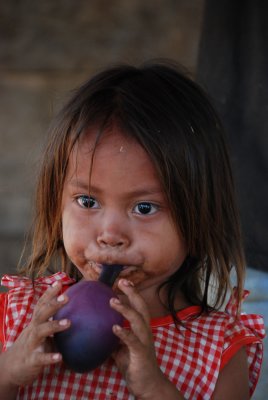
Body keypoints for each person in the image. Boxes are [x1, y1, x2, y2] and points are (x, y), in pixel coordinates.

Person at [0, 61, 265, 400]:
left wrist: (156, 389)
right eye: (87, 201)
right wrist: (8, 373)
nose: (110, 234)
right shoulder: (21, 317)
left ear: (199, 217)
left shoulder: (219, 353)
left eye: (144, 208)